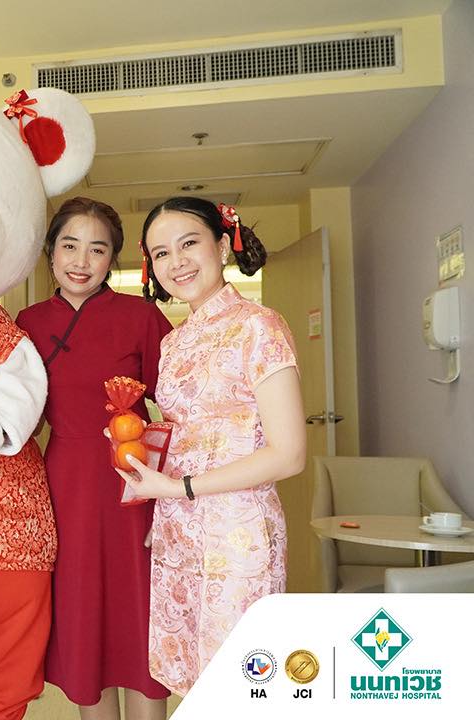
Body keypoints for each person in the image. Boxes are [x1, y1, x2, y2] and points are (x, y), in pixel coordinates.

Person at [119, 197, 307, 696]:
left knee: (243, 686)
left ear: (222, 246)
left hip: (236, 532)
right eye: (161, 253)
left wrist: (180, 487)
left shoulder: (258, 325)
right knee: (195, 681)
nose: (176, 262)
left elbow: (288, 453)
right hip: (178, 527)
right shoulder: (173, 342)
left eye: (189, 244)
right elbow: (189, 431)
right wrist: (135, 445)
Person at [16, 197, 171, 720]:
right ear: (50, 252)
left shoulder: (141, 316)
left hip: (136, 484)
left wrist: (174, 493)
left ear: (113, 259)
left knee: (140, 611)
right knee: (84, 614)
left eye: (97, 249)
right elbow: (20, 417)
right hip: (65, 483)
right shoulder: (28, 322)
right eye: (70, 245)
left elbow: (181, 409)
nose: (81, 261)